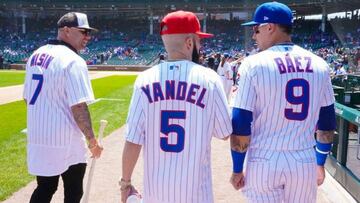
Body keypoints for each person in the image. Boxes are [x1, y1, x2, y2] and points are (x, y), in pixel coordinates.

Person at [120, 10, 232, 203]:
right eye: (199, 42)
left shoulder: (144, 80)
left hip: (156, 194)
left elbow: (133, 140)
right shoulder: (209, 79)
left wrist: (125, 183)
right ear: (189, 43)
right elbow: (224, 133)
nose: (201, 46)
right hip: (197, 195)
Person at [229, 2, 336, 203]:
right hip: (303, 160)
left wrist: (237, 168)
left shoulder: (254, 63)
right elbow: (327, 122)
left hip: (264, 159)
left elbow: (241, 122)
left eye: (256, 29)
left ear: (270, 27)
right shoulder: (320, 64)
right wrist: (320, 162)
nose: (254, 35)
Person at [23, 12, 103, 203]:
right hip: (65, 139)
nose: (87, 37)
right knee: (74, 191)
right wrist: (92, 140)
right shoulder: (73, 60)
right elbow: (79, 107)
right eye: (83, 31)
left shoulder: (36, 54)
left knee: (45, 187)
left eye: (88, 33)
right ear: (66, 31)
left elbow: (26, 99)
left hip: (37, 135)